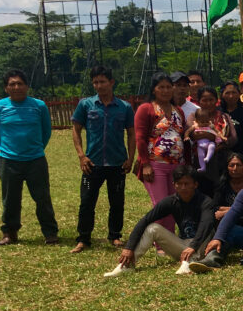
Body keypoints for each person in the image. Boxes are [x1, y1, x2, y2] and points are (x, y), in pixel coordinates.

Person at [103, 166, 214, 277]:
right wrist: (129, 248)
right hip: (183, 247)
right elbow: (145, 220)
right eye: (179, 183)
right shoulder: (171, 201)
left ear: (195, 184)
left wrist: (193, 246)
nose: (183, 187)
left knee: (209, 229)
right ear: (174, 184)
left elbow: (206, 225)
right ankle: (127, 266)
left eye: (187, 184)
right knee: (153, 228)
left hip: (201, 246)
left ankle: (189, 263)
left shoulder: (206, 201)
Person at [70, 66, 135, 253]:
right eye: (95, 82)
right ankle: (83, 238)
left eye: (102, 81)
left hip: (117, 163)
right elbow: (76, 129)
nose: (99, 85)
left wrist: (131, 158)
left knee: (117, 201)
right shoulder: (85, 105)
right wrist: (82, 156)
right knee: (87, 201)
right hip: (92, 163)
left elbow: (131, 134)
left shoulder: (124, 107)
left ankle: (115, 235)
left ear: (112, 82)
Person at [0, 69, 57, 246]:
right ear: (6, 88)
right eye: (12, 84)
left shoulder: (39, 106)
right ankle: (10, 233)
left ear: (27, 86)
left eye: (20, 83)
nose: (16, 87)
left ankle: (50, 232)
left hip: (35, 160)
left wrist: (35, 148)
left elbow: (46, 131)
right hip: (8, 161)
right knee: (10, 198)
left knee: (42, 197)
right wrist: (8, 148)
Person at [134, 72, 185, 237]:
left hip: (177, 166)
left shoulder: (177, 110)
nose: (165, 90)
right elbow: (140, 138)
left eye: (168, 87)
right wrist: (145, 164)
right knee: (161, 204)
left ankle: (168, 239)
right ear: (154, 90)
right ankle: (159, 242)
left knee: (174, 204)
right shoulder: (146, 109)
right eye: (161, 87)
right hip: (156, 165)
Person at [213, 153, 243, 228]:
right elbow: (216, 207)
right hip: (228, 223)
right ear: (227, 168)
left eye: (238, 165)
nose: (235, 168)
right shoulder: (222, 184)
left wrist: (226, 212)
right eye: (231, 165)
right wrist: (238, 210)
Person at [187, 108, 224, 174]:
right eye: (202, 122)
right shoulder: (195, 126)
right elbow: (188, 131)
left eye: (206, 121)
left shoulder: (210, 125)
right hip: (200, 146)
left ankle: (208, 157)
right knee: (200, 155)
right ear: (197, 121)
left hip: (209, 143)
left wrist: (222, 137)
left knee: (212, 146)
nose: (205, 123)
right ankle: (203, 167)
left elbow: (217, 132)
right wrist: (186, 136)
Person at [220, 81, 243, 161]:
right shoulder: (218, 112)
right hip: (219, 154)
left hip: (240, 155)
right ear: (222, 94)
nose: (231, 96)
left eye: (234, 92)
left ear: (239, 94)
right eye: (227, 93)